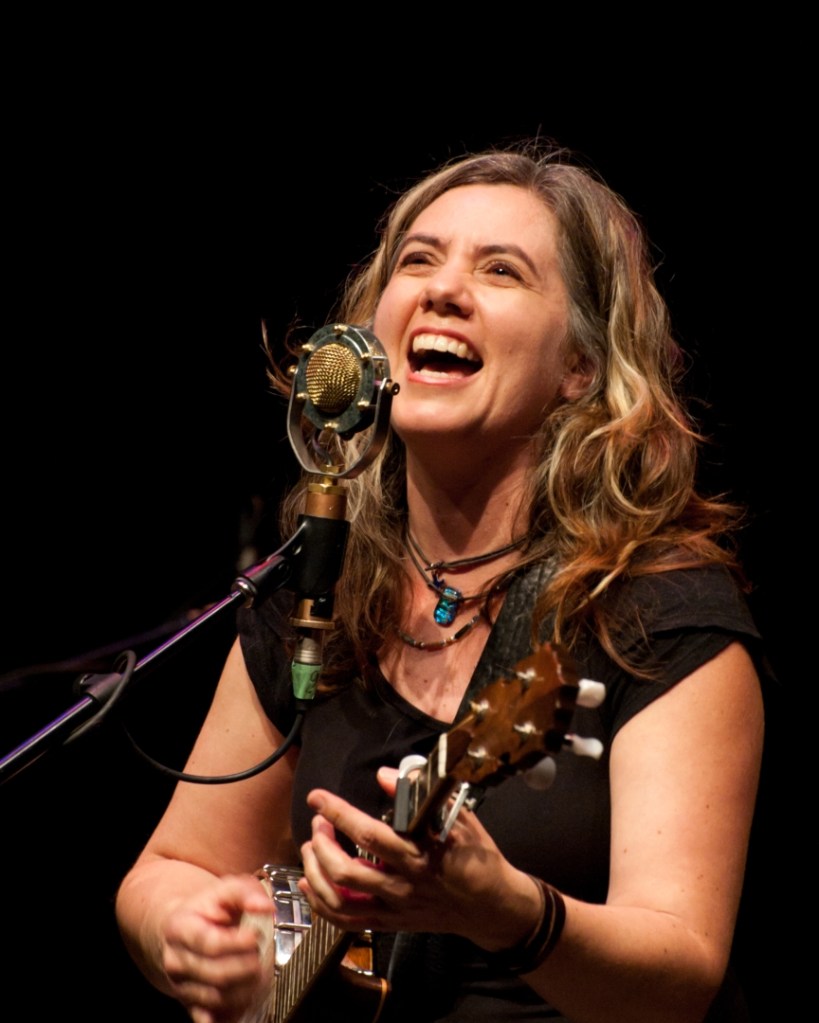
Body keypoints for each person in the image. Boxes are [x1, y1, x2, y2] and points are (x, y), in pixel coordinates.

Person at [115, 145, 765, 1023]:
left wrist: (506, 911)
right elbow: (172, 869)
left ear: (579, 365)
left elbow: (681, 975)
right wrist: (190, 934)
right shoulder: (319, 597)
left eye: (501, 271)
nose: (443, 290)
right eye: (418, 260)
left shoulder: (656, 613)